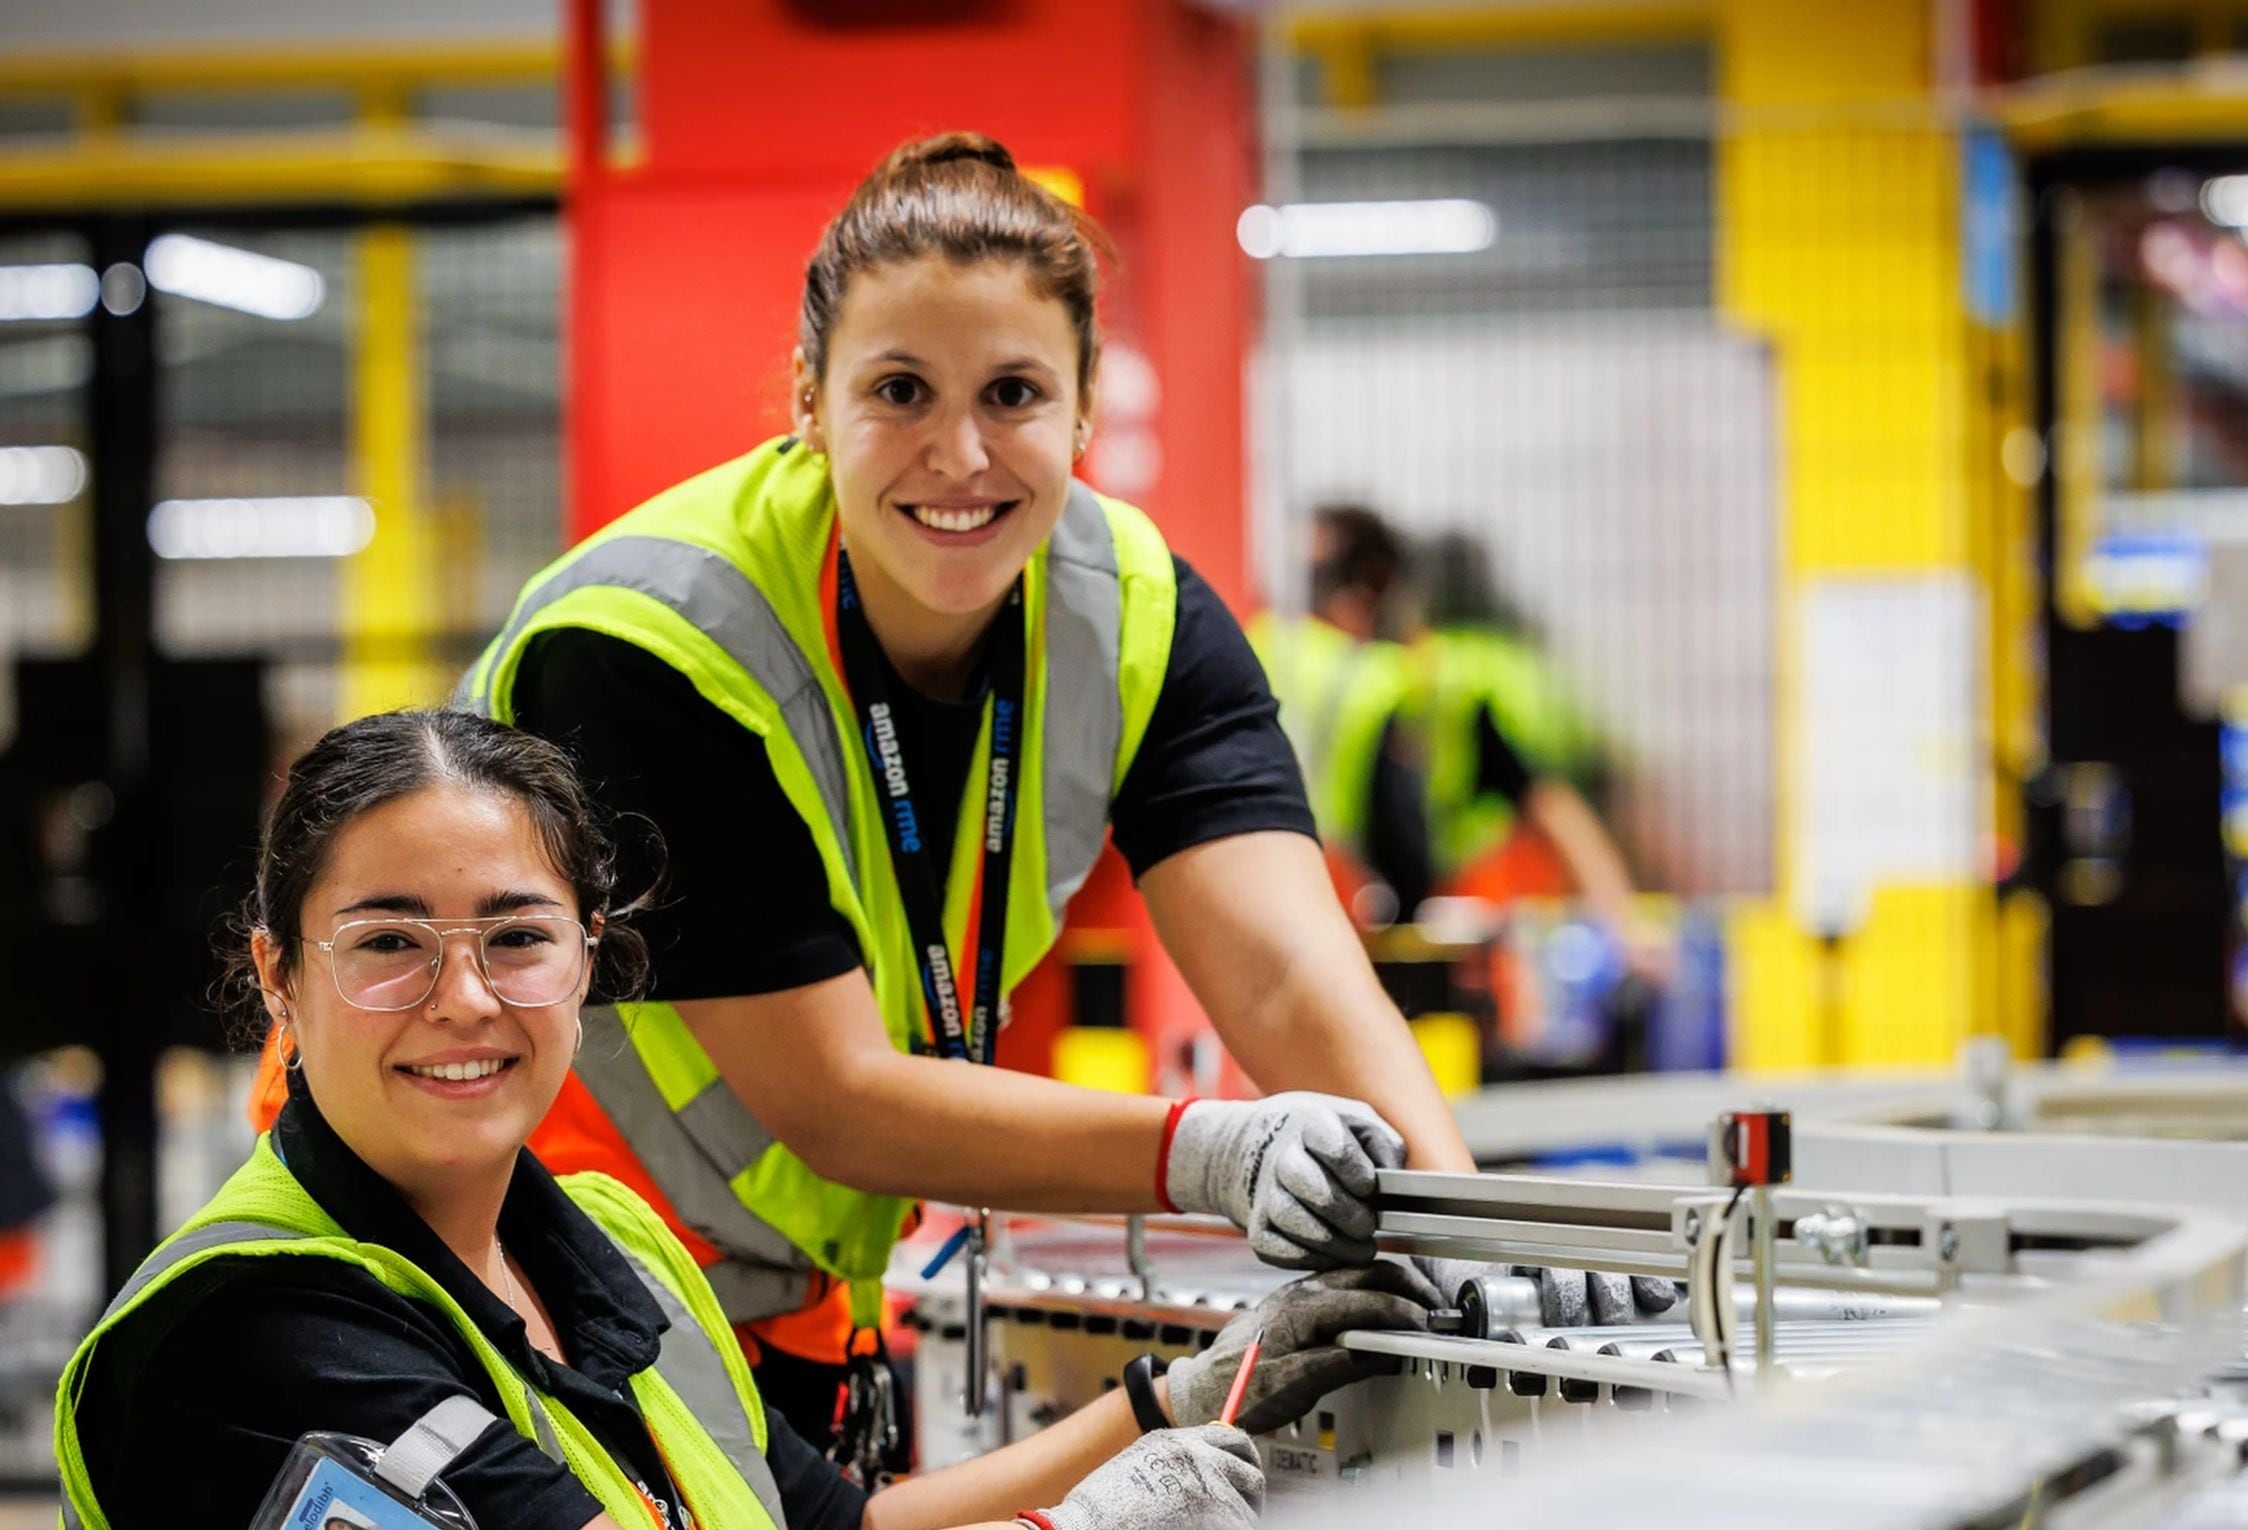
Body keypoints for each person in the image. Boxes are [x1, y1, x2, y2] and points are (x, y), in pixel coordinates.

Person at [446, 130, 1473, 1444]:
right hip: (494, 1252)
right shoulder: (653, 647)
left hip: (765, 1286)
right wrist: (1213, 1153)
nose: (961, 454)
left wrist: (1466, 1233)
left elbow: (1284, 975)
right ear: (809, 399)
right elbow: (832, 1096)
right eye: (900, 391)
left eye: (1013, 394)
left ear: (1085, 410)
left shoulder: (1139, 614)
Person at [56, 710, 1429, 1530]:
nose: (463, 1000)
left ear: (589, 960)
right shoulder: (243, 1331)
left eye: (518, 938)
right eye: (388, 943)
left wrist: (1171, 1403)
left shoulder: (609, 1242)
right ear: (280, 977)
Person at [1410, 533, 1674, 988]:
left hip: (1479, 909)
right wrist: (1624, 919)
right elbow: (1569, 790)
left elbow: (1546, 797)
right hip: (1535, 900)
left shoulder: (1441, 674)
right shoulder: (1523, 660)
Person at [1247, 504, 1434, 922]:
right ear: (1374, 582)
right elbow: (1404, 843)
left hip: (1240, 898)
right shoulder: (1377, 679)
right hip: (1338, 910)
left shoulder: (1251, 643)